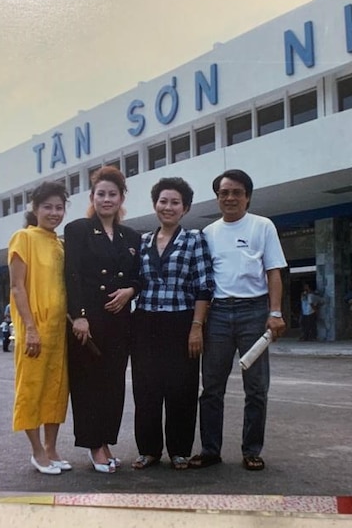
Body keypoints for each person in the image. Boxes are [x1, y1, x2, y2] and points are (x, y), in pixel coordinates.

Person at [190, 169, 287, 472]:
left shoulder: (262, 226)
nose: (230, 198)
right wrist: (199, 323)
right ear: (217, 197)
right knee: (212, 388)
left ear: (247, 196)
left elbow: (273, 272)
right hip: (218, 314)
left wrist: (275, 313)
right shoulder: (208, 233)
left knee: (256, 388)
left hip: (254, 314)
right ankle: (210, 450)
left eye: (236, 192)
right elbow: (204, 283)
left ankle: (251, 450)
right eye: (224, 193)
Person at [131, 177, 213, 471]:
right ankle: (149, 450)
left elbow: (204, 286)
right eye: (163, 201)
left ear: (185, 208)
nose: (168, 207)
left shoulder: (194, 239)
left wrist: (196, 327)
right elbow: (134, 282)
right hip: (145, 321)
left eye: (175, 202)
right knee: (146, 388)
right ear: (155, 205)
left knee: (182, 387)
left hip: (181, 321)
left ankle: (179, 450)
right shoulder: (140, 242)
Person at [64, 166, 141, 473]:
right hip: (89, 321)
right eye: (101, 194)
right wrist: (79, 317)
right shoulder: (78, 230)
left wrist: (130, 291)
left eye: (113, 194)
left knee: (112, 384)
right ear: (92, 197)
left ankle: (106, 441)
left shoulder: (131, 235)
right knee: (88, 384)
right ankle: (95, 446)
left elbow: (140, 276)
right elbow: (72, 276)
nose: (107, 199)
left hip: (119, 320)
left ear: (121, 198)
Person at [9, 181, 71, 475]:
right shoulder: (24, 238)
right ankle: (36, 452)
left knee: (56, 391)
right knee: (32, 389)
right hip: (35, 328)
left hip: (60, 331)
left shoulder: (60, 244)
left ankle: (52, 448)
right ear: (35, 209)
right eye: (47, 207)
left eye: (59, 207)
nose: (54, 213)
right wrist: (30, 328)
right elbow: (17, 287)